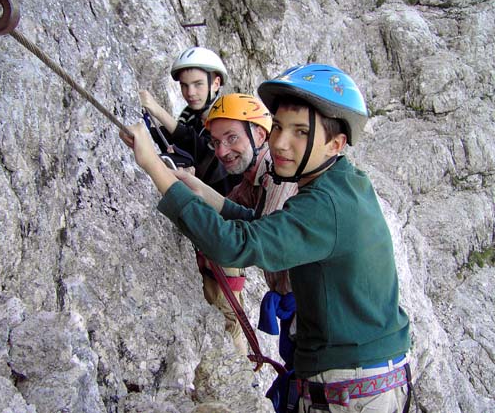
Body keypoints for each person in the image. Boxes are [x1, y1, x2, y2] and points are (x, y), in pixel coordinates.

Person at [121, 63, 412, 413]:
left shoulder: (326, 204)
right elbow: (263, 225)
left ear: (335, 144)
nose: (279, 142)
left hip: (352, 391)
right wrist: (203, 193)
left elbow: (238, 245)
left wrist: (153, 166)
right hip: (357, 380)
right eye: (277, 126)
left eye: (301, 132)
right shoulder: (342, 184)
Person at [196, 92, 274, 355]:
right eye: (216, 142)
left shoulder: (277, 179)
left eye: (232, 138)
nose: (222, 151)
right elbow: (225, 209)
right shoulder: (249, 184)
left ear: (260, 135)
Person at [139, 46, 241, 195]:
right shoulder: (190, 115)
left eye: (198, 84)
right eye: (184, 85)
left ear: (215, 83)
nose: (190, 93)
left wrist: (158, 111)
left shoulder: (229, 117)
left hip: (228, 202)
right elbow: (173, 137)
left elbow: (204, 151)